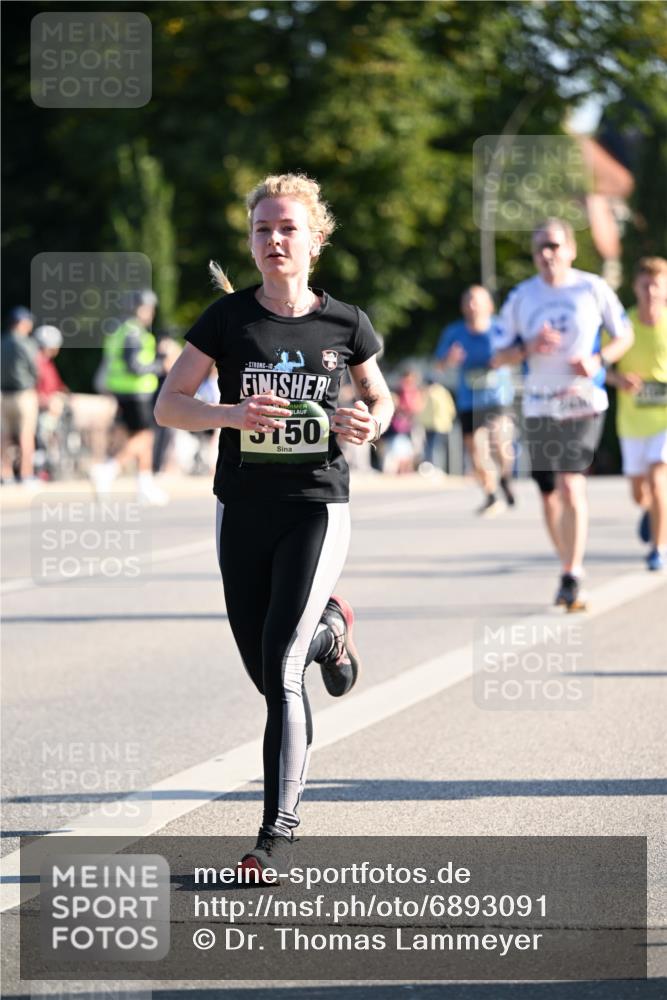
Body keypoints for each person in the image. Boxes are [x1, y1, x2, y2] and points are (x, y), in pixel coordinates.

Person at [154, 173, 394, 879]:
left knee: (282, 671)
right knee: (266, 671)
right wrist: (230, 415)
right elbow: (171, 404)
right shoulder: (226, 321)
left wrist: (366, 424)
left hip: (316, 505)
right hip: (241, 508)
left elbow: (378, 403)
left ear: (315, 241)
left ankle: (273, 839)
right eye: (262, 230)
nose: (274, 241)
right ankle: (328, 630)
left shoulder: (346, 324)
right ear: (251, 241)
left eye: (288, 229)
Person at [493, 218, 633, 610]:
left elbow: (624, 334)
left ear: (570, 249)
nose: (547, 254)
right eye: (540, 248)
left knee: (571, 483)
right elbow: (498, 356)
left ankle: (571, 573)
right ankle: (568, 565)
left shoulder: (592, 288)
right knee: (549, 495)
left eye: (554, 246)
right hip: (540, 402)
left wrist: (599, 358)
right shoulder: (522, 297)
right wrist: (529, 347)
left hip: (583, 399)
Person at [605, 257, 667, 571]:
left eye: (657, 285)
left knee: (658, 482)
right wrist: (619, 380)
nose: (652, 291)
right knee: (638, 492)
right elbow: (600, 367)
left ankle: (658, 549)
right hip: (631, 422)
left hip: (664, 422)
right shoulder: (622, 325)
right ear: (636, 288)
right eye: (646, 285)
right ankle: (650, 512)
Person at [435, 285, 516, 515]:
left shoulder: (502, 329)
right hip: (468, 399)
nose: (472, 305)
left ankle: (506, 477)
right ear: (462, 306)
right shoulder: (454, 332)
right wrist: (450, 360)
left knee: (500, 442)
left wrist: (503, 359)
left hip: (497, 396)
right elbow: (439, 365)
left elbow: (519, 353)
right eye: (468, 300)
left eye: (477, 300)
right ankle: (490, 494)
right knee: (476, 452)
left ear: (489, 305)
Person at [90, 290, 175, 505]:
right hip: (136, 392)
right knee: (145, 437)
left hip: (123, 391)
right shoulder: (135, 333)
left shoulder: (119, 330)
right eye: (149, 309)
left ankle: (144, 487)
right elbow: (134, 366)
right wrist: (160, 365)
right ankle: (108, 470)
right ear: (140, 308)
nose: (151, 313)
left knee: (141, 440)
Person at [1, 306, 39, 487]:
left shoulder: (2, 342)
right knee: (26, 435)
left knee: (4, 437)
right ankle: (26, 474)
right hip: (23, 395)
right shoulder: (26, 344)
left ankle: (5, 473)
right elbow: (35, 369)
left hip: (3, 395)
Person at [419, 376, 456, 474]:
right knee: (437, 447)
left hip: (432, 425)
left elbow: (424, 410)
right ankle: (436, 467)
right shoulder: (444, 392)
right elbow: (451, 409)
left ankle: (432, 467)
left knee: (432, 447)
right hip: (443, 425)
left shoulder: (429, 393)